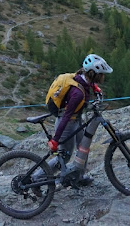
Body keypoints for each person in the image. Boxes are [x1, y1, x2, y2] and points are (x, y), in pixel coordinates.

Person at [44, 53, 113, 186]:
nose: (103, 77)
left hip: (77, 120)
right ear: (93, 73)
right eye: (101, 74)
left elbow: (85, 83)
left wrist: (95, 88)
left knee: (83, 147)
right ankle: (38, 178)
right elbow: (66, 116)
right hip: (68, 123)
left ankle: (79, 177)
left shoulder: (83, 78)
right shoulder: (77, 94)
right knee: (64, 156)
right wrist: (55, 140)